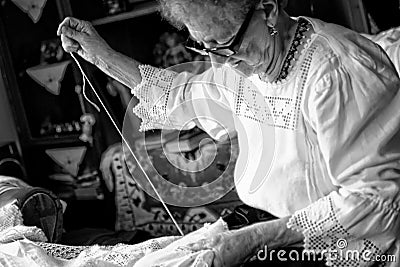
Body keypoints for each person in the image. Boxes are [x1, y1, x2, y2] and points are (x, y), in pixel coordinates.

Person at [57, 0, 400, 266]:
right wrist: (101, 56)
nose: (219, 63)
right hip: (264, 232)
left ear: (267, 11)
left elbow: (378, 197)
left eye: (224, 44)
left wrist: (256, 240)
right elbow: (185, 96)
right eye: (204, 48)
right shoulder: (250, 62)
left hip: (338, 249)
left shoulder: (337, 71)